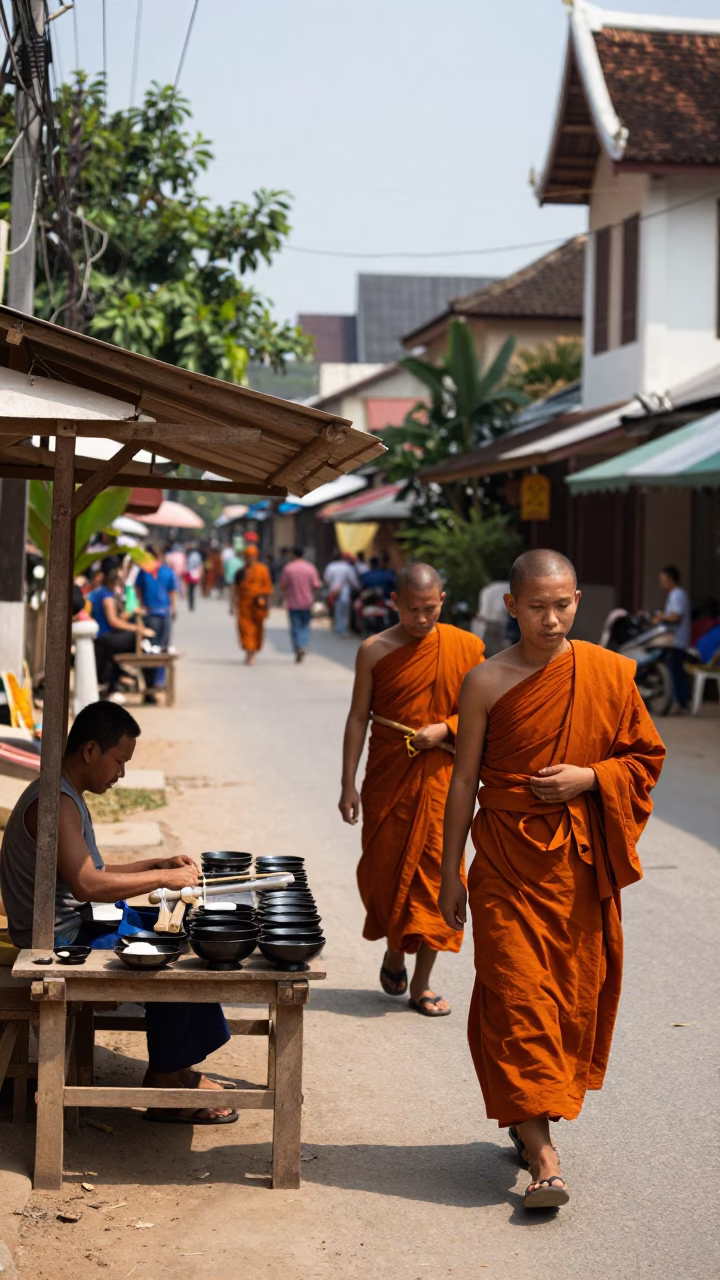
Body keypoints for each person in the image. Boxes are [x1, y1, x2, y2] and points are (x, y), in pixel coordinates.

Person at [439, 549, 665, 1209]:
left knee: (568, 998)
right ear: (511, 606)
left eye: (563, 603)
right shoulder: (485, 681)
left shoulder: (608, 673)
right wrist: (450, 871)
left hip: (575, 866)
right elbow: (463, 781)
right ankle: (543, 1156)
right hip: (505, 865)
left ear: (577, 601)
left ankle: (529, 1112)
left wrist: (591, 778)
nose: (552, 617)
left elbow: (643, 757)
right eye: (537, 605)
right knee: (515, 998)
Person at [0, 701, 237, 1124]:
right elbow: (88, 885)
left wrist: (155, 866)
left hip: (78, 923)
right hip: (59, 940)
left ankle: (176, 1068)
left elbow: (95, 872)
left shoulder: (65, 794)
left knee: (187, 932)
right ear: (90, 750)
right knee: (173, 958)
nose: (122, 774)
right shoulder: (56, 802)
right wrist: (164, 881)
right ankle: (166, 1081)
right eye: (119, 761)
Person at [339, 563, 485, 1017]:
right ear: (394, 604)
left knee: (440, 877)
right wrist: (348, 783)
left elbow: (484, 714)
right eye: (411, 610)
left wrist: (446, 728)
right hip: (388, 775)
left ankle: (421, 983)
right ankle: (394, 952)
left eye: (429, 608)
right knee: (385, 874)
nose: (421, 619)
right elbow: (358, 717)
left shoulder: (467, 647)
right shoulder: (374, 650)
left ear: (442, 599)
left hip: (443, 779)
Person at [87, 561, 156, 704]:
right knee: (140, 641)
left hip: (103, 637)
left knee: (136, 644)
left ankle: (121, 683)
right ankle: (148, 689)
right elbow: (114, 621)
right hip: (106, 637)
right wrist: (139, 630)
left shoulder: (97, 593)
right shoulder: (106, 596)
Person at [134, 547, 178, 704]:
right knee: (148, 650)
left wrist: (173, 609)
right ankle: (150, 686)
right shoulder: (142, 573)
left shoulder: (167, 572)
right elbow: (137, 589)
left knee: (162, 651)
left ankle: (158, 684)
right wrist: (141, 606)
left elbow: (172, 592)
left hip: (164, 614)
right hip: (149, 615)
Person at [656, 565, 692, 711]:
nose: (661, 583)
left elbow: (676, 617)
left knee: (675, 671)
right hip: (674, 640)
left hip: (677, 641)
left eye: (663, 580)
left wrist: (660, 618)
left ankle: (681, 701)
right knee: (675, 670)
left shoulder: (678, 594)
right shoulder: (674, 594)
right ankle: (681, 701)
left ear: (670, 580)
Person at [280, 547, 322, 663]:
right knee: (305, 625)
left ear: (293, 555)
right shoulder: (310, 568)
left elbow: (283, 585)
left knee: (295, 627)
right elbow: (316, 585)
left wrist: (284, 598)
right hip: (307, 602)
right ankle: (303, 644)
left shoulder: (288, 568)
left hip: (292, 603)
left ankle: (298, 646)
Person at [233, 545, 273, 665]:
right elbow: (235, 589)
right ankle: (249, 652)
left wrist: (268, 606)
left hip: (258, 605)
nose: (250, 558)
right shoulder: (240, 572)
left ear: (256, 556)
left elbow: (268, 589)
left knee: (257, 629)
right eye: (248, 556)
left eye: (252, 556)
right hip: (244, 605)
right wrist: (231, 605)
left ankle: (253, 651)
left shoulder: (263, 570)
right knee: (245, 628)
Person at [324, 552, 360, 637]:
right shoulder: (347, 567)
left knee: (337, 610)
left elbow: (326, 580)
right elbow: (353, 580)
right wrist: (358, 588)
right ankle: (343, 629)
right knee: (345, 612)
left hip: (333, 592)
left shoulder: (330, 566)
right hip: (345, 592)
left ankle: (338, 628)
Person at [185, 546, 203, 611]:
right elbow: (199, 565)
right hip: (195, 573)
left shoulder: (189, 555)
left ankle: (190, 604)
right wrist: (200, 574)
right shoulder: (198, 556)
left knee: (190, 590)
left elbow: (186, 565)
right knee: (193, 589)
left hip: (189, 573)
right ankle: (192, 604)